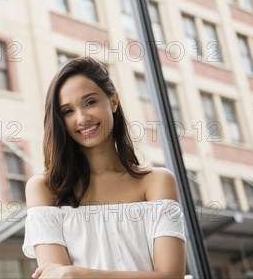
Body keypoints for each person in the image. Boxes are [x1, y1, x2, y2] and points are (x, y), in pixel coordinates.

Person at [22, 57, 186, 278]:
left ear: (114, 101)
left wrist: (78, 274)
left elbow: (170, 276)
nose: (82, 118)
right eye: (68, 111)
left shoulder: (157, 182)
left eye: (90, 102)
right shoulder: (45, 189)